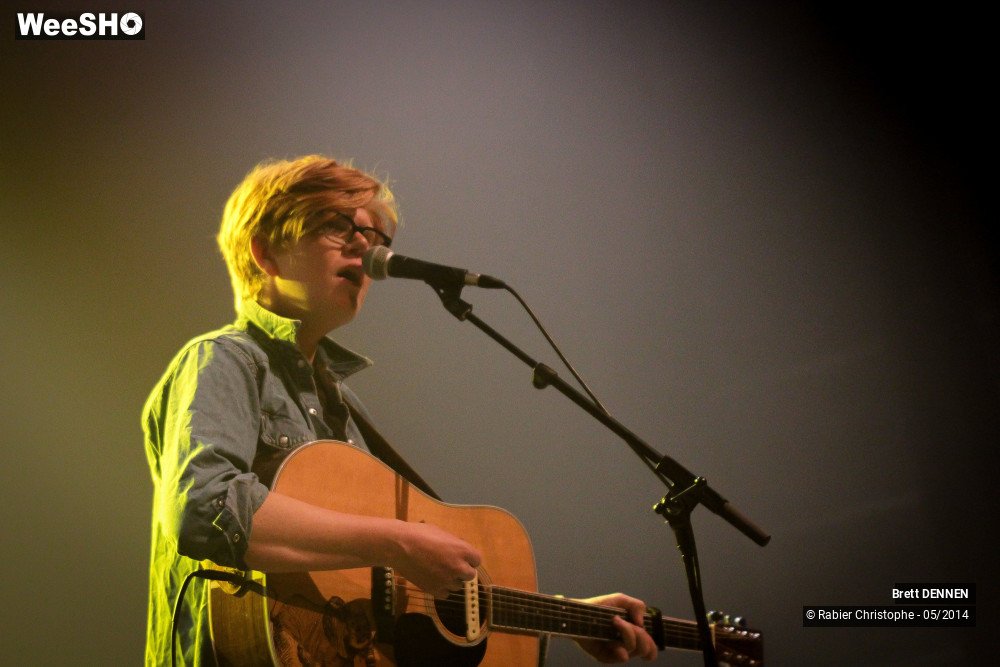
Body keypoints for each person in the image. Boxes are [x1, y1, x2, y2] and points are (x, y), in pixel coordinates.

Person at [143, 155, 659, 665]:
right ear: (265, 252)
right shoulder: (223, 359)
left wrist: (563, 617)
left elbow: (385, 588)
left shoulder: (340, 403)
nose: (364, 246)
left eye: (375, 236)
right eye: (335, 225)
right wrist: (396, 542)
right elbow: (204, 508)